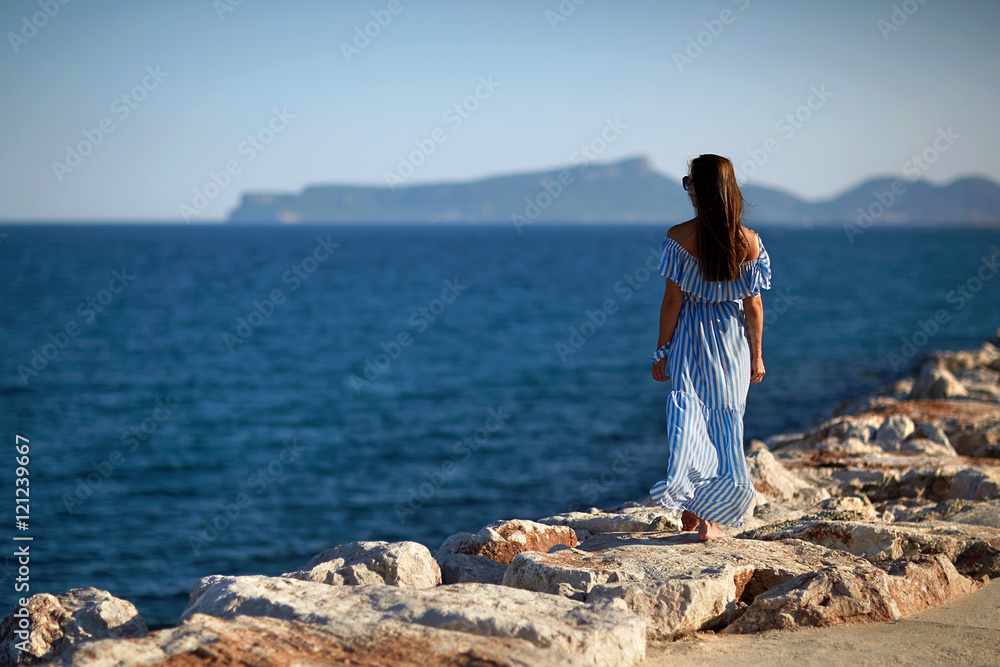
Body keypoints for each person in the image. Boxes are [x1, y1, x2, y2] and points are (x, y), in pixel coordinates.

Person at [649, 153, 770, 541]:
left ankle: (691, 502)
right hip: (732, 344)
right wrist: (757, 354)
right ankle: (710, 521)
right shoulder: (750, 243)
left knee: (690, 421)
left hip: (691, 338)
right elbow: (753, 305)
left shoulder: (678, 238)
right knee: (725, 426)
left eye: (689, 184)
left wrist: (661, 349)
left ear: (700, 191)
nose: (688, 191)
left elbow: (672, 302)